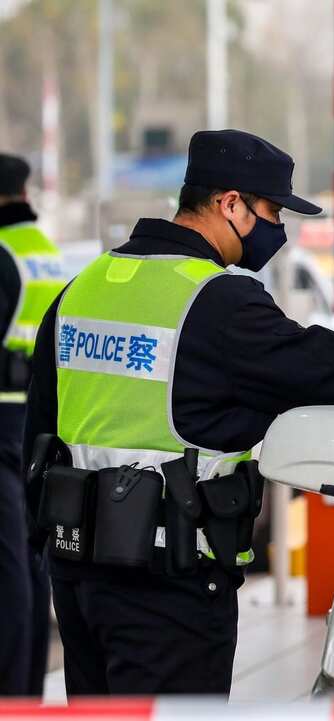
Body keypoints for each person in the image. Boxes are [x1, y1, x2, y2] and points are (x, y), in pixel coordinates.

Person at [21, 130, 334, 697]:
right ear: (230, 205)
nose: (278, 229)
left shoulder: (85, 286)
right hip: (168, 587)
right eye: (272, 212)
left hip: (78, 577)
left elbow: (40, 432)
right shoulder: (217, 301)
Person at [0, 153, 66, 696]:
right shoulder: (47, 254)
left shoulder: (2, 254)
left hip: (0, 422)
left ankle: (9, 693)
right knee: (30, 555)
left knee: (6, 567)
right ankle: (27, 688)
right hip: (40, 424)